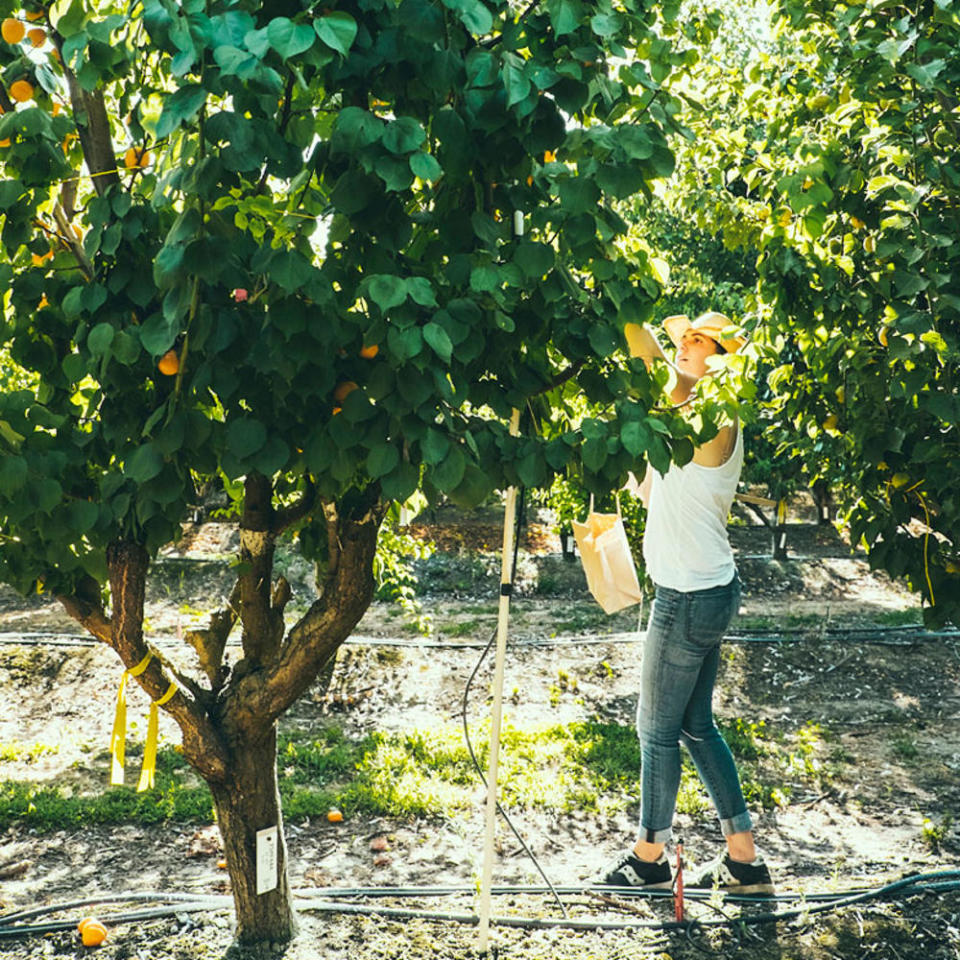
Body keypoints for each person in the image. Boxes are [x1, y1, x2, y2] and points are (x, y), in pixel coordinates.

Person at [601, 311, 774, 895]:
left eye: (703, 342)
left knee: (655, 730)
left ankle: (647, 859)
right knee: (696, 727)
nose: (688, 347)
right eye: (686, 338)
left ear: (722, 360)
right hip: (706, 591)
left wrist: (615, 300)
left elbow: (647, 366)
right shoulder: (687, 415)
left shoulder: (712, 417)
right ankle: (745, 861)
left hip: (688, 598)